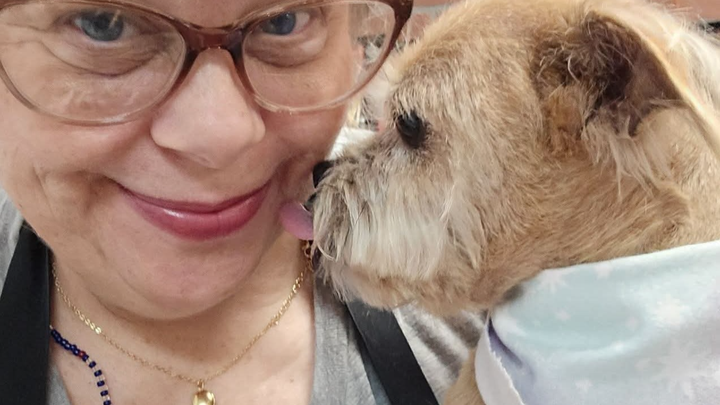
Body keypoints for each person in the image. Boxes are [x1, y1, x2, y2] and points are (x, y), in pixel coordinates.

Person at [0, 0, 483, 405]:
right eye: (104, 25)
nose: (218, 136)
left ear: (355, 46)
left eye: (283, 21)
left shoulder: (482, 286)